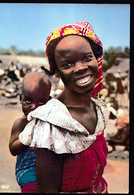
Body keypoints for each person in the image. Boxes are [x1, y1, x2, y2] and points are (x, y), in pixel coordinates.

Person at [19, 22, 108, 193]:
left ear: (96, 59)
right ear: (57, 71)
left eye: (87, 58)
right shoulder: (51, 123)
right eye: (67, 64)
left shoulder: (100, 109)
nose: (81, 68)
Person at [9, 72, 51, 193]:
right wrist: (28, 136)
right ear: (20, 99)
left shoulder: (50, 121)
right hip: (28, 176)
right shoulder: (20, 123)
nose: (34, 107)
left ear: (50, 101)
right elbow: (13, 149)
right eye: (28, 101)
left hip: (49, 175)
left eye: (41, 102)